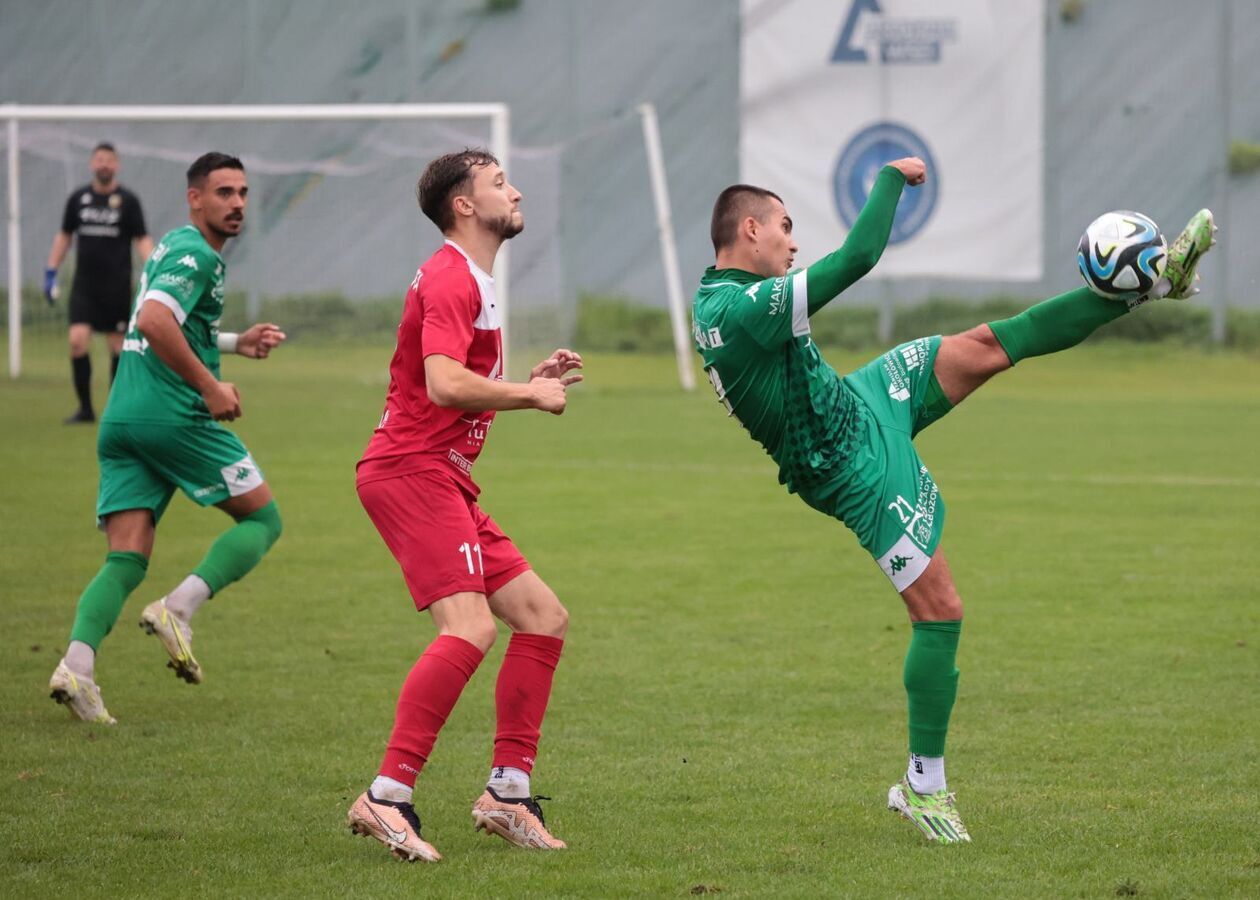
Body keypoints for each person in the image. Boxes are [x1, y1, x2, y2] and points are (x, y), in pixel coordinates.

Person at [692, 157, 1216, 843]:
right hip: (849, 464)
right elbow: (858, 257)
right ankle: (924, 787)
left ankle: (1143, 289)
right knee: (939, 609)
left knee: (992, 344)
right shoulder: (734, 308)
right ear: (751, 229)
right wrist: (887, 179)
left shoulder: (722, 295)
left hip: (858, 401)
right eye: (786, 228)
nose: (794, 243)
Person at [347, 148, 581, 863]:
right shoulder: (452, 276)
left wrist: (523, 381)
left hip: (441, 473)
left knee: (543, 616)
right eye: (499, 183)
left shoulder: (471, 278)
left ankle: (507, 794)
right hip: (412, 472)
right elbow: (445, 384)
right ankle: (385, 797)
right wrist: (531, 395)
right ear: (465, 205)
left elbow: (454, 391)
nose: (517, 191)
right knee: (471, 627)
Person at [48, 152, 287, 725]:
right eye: (224, 192)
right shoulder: (196, 253)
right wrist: (209, 385)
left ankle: (76, 669)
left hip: (125, 419)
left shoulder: (175, 247)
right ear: (195, 198)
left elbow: (170, 320)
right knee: (263, 520)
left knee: (126, 558)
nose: (236, 203)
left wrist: (231, 344)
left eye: (243, 192)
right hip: (173, 418)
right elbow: (155, 322)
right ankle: (178, 609)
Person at [45, 142, 154, 424]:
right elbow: (65, 236)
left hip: (117, 287)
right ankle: (85, 409)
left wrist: (154, 270)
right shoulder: (78, 199)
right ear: (92, 164)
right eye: (99, 159)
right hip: (85, 287)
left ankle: (116, 409)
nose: (104, 164)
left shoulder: (128, 201)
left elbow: (141, 238)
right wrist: (51, 271)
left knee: (118, 347)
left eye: (109, 160)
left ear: (116, 165)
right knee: (77, 342)